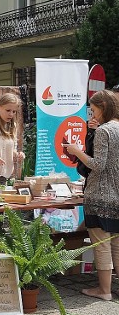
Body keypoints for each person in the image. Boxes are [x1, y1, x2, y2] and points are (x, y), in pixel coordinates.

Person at [65, 89, 119, 301]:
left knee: (102, 246)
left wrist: (77, 151)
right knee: (117, 244)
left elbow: (97, 165)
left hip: (99, 196)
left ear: (103, 108)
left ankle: (104, 290)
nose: (92, 115)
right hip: (117, 195)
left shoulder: (104, 131)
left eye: (94, 110)